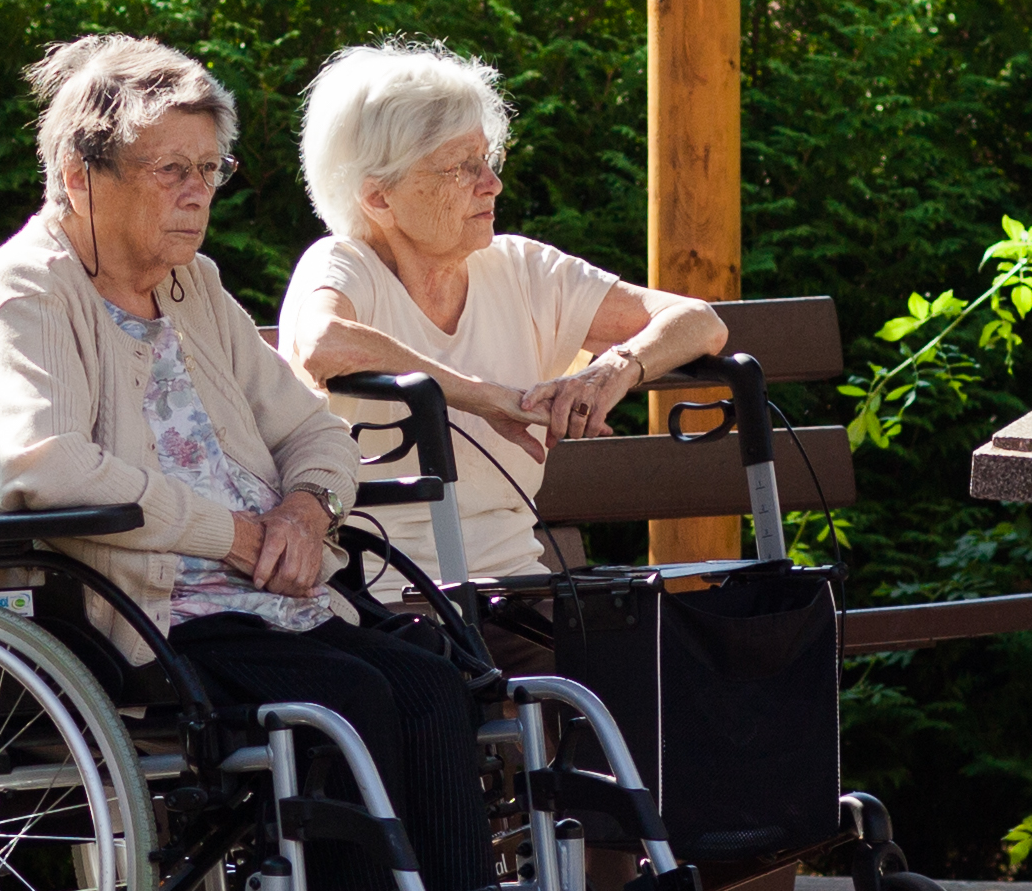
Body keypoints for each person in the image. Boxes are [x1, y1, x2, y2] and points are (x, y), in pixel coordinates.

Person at [0, 32, 547, 891]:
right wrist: (234, 528)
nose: (196, 196)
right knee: (350, 702)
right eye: (170, 170)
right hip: (135, 613)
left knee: (431, 683)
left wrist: (308, 512)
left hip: (261, 594)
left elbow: (314, 427)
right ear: (81, 174)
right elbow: (41, 467)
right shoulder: (18, 297)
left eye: (209, 171)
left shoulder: (195, 291)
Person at [273, 42, 727, 579]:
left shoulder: (518, 268)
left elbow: (700, 322)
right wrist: (488, 399)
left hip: (519, 591)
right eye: (461, 168)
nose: (493, 183)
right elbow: (323, 344)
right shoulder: (344, 265)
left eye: (488, 159)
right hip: (384, 600)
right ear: (379, 198)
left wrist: (616, 366)